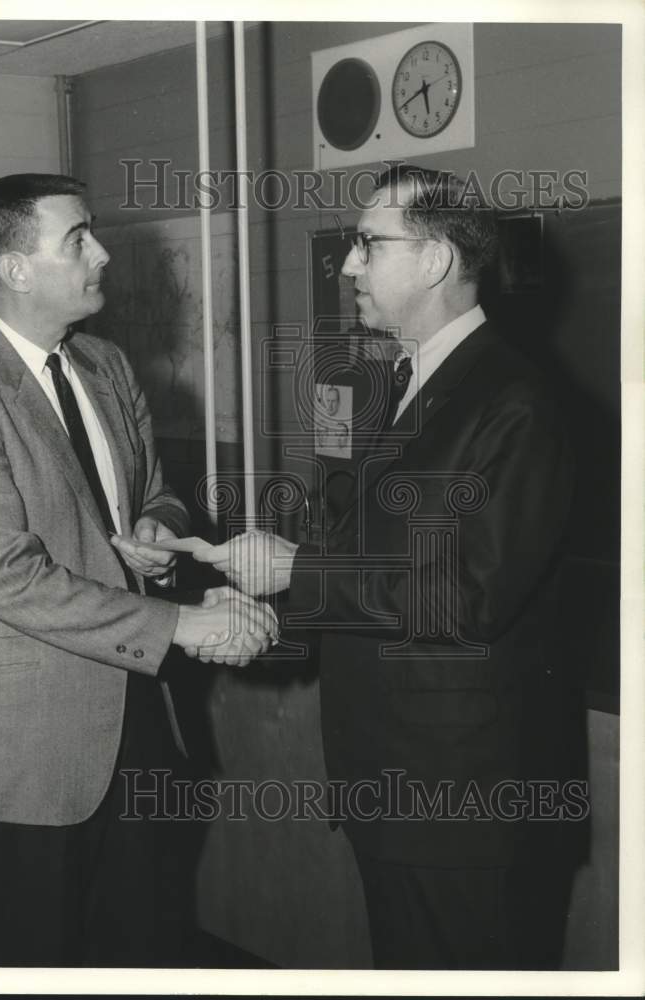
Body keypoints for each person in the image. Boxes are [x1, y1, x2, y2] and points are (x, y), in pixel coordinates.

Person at [196, 165, 583, 970]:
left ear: (438, 259)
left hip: (461, 799)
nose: (347, 264)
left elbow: (468, 594)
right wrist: (257, 610)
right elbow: (367, 558)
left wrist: (296, 573)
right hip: (398, 782)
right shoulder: (395, 383)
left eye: (368, 244)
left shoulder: (515, 400)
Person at [0, 173, 276, 968]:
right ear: (15, 270)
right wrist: (182, 623)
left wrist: (155, 525)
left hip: (140, 710)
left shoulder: (105, 365)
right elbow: (6, 577)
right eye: (77, 239)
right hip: (32, 729)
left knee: (139, 940)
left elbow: (160, 494)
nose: (102, 252)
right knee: (40, 949)